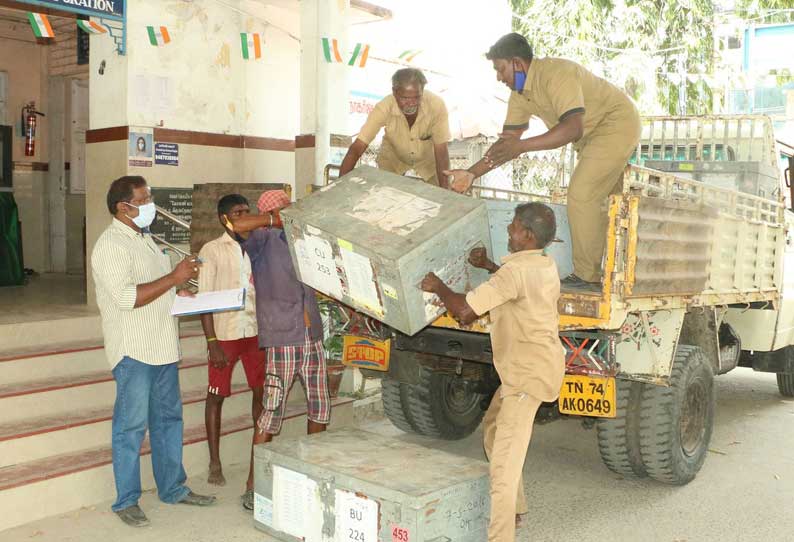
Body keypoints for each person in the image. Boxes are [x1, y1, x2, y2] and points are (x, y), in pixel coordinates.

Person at [446, 33, 642, 287]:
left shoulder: (556, 74)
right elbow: (507, 144)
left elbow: (573, 129)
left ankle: (587, 277)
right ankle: (615, 273)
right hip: (591, 138)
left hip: (616, 123)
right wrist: (472, 173)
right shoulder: (520, 95)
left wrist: (522, 146)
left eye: (500, 69)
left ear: (517, 63)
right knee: (606, 207)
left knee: (582, 194)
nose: (498, 77)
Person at [420, 202, 565, 542]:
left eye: (513, 226)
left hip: (526, 377)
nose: (508, 231)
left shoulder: (516, 273)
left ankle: (501, 534)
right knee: (493, 428)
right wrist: (487, 265)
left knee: (503, 466)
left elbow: (466, 312)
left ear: (527, 235)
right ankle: (514, 509)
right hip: (532, 369)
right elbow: (514, 284)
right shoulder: (543, 263)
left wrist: (438, 286)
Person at [91, 176, 216, 528]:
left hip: (162, 347)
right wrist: (175, 278)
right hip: (134, 350)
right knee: (131, 427)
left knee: (168, 422)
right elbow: (127, 297)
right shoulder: (110, 245)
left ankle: (173, 488)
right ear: (123, 207)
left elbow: (162, 290)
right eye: (144, 199)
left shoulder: (146, 241)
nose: (151, 206)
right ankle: (126, 500)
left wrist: (184, 294)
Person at [224, 189, 331, 508]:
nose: (292, 211)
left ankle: (315, 475)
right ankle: (251, 485)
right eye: (286, 207)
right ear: (273, 212)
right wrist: (275, 219)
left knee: (321, 405)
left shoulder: (302, 240)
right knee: (271, 413)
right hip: (283, 338)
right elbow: (234, 223)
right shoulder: (261, 240)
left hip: (312, 336)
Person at [197, 194, 265, 508]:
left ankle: (258, 454)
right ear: (224, 218)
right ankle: (215, 462)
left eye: (246, 211)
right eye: (238, 212)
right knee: (216, 395)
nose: (243, 216)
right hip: (224, 336)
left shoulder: (256, 246)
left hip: (254, 332)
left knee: (261, 393)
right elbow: (204, 301)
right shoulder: (211, 250)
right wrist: (212, 343)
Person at [339, 68, 452, 187]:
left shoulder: (436, 105)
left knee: (439, 196)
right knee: (386, 195)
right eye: (404, 98)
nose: (411, 103)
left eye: (416, 97)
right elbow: (356, 149)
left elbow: (441, 152)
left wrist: (445, 191)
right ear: (394, 92)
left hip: (428, 160)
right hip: (393, 158)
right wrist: (340, 186)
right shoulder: (383, 107)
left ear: (422, 91)